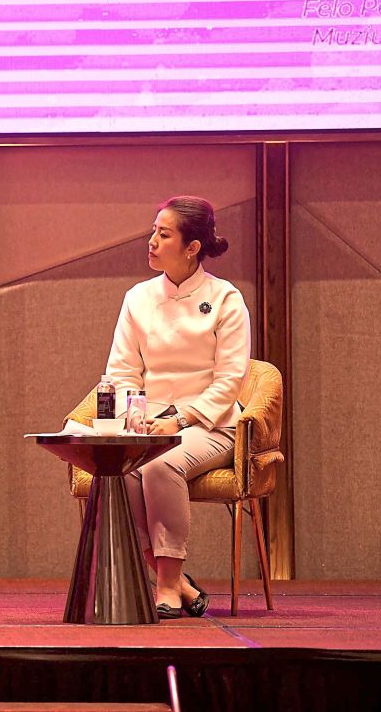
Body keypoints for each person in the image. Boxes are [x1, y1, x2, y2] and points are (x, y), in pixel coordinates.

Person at [104, 196, 250, 619]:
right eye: (153, 231)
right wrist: (135, 417)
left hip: (210, 424)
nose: (151, 241)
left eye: (163, 234)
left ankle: (167, 581)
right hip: (151, 422)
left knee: (158, 465)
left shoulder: (225, 299)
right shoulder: (138, 297)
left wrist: (179, 418)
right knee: (119, 466)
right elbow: (122, 371)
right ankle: (177, 581)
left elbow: (230, 380)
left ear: (192, 247)